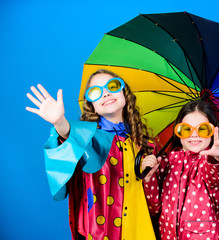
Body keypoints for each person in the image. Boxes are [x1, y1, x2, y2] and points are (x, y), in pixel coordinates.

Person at [26, 69, 156, 240]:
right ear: (91, 104)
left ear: (125, 92)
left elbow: (155, 204)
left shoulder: (145, 143)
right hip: (102, 230)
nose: (106, 93)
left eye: (113, 86)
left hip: (140, 229)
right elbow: (72, 137)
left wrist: (148, 177)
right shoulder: (90, 138)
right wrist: (60, 123)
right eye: (96, 91)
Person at [141, 101, 219, 240]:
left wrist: (217, 158)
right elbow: (154, 208)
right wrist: (148, 177)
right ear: (178, 131)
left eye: (203, 129)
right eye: (186, 129)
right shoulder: (166, 161)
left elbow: (217, 176)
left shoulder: (208, 163)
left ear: (212, 132)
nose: (194, 135)